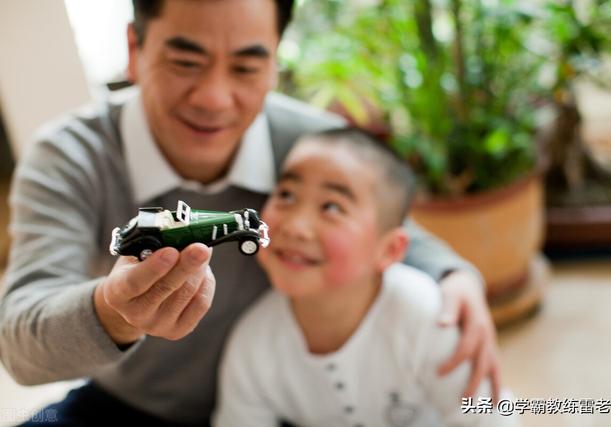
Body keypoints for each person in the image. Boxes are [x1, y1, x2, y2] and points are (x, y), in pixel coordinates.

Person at [0, 1, 498, 426]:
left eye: (245, 67)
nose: (214, 99)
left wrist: (455, 275)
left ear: (275, 63)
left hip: (287, 407)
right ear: (135, 49)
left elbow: (393, 228)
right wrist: (115, 310)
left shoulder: (312, 147)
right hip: (129, 404)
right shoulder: (69, 156)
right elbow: (19, 343)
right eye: (185, 61)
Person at [214, 128, 514, 427]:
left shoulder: (429, 316)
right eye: (286, 195)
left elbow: (490, 418)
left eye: (331, 207)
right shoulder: (253, 344)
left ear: (389, 250)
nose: (295, 226)